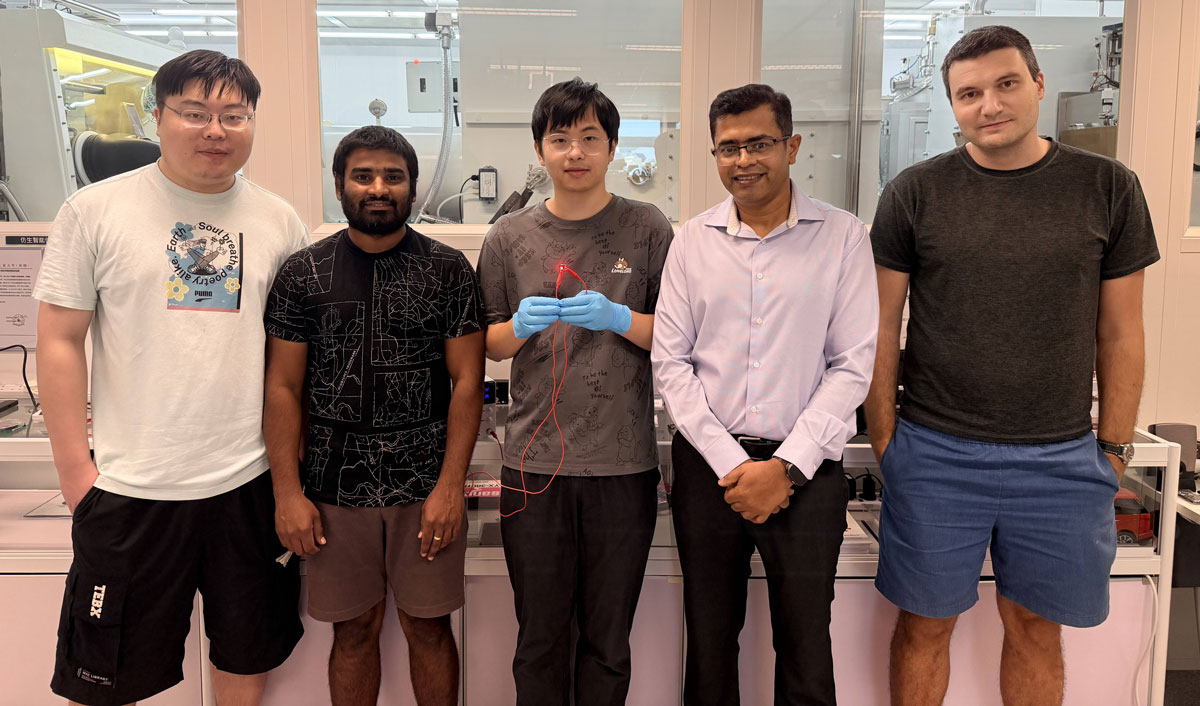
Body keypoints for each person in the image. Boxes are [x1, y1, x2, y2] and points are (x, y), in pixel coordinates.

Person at [866, 25, 1160, 706]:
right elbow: (879, 327)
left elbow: (1121, 332)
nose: (989, 105)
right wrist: (887, 442)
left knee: (1034, 628)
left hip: (1060, 458)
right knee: (924, 626)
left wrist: (1113, 449)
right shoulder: (914, 193)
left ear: (1038, 84)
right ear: (952, 104)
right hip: (936, 452)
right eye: (969, 93)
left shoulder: (1107, 187)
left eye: (1005, 84)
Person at [35, 49, 307, 706]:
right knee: (105, 672)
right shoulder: (95, 211)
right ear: (157, 118)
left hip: (248, 484)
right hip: (131, 487)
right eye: (194, 112)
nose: (216, 130)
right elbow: (60, 341)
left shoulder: (279, 221)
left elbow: (293, 357)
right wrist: (76, 475)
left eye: (234, 115)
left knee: (247, 648)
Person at [651, 83, 878, 706]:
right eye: (728, 148)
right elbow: (671, 362)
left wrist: (786, 467)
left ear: (792, 146)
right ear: (714, 154)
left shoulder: (843, 237)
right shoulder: (692, 240)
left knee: (805, 646)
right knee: (709, 643)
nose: (744, 160)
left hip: (807, 472)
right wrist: (732, 464)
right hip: (709, 472)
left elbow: (852, 366)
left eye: (759, 143)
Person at [263, 125, 485, 706]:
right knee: (353, 630)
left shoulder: (448, 270)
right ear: (340, 186)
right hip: (333, 490)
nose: (379, 188)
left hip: (425, 490)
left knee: (428, 627)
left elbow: (467, 382)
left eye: (394, 176)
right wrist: (288, 493)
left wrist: (450, 489)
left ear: (413, 187)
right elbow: (282, 387)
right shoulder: (303, 273)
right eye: (363, 176)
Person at [476, 77, 673, 705]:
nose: (576, 152)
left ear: (612, 147)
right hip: (533, 468)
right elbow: (489, 343)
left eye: (590, 137)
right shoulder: (508, 237)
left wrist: (620, 317)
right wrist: (518, 327)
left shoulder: (647, 227)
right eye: (560, 139)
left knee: (607, 644)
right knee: (539, 639)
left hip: (624, 467)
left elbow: (676, 335)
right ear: (539, 150)